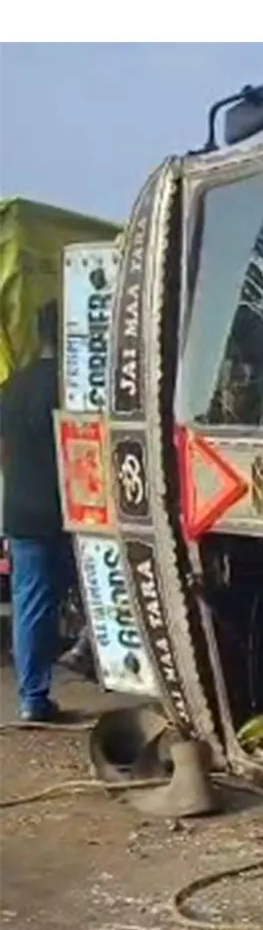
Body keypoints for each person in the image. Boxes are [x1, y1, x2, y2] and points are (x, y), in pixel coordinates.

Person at [1, 302, 72, 722]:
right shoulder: (70, 386)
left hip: (21, 510)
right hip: (68, 509)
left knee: (30, 601)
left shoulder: (11, 387)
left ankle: (32, 696)